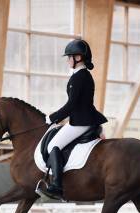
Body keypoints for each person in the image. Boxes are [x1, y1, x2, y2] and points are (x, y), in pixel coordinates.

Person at [41, 39, 108, 200]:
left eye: (69, 57)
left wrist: (52, 118)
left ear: (78, 57)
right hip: (86, 119)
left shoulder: (79, 77)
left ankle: (56, 186)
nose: (67, 60)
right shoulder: (83, 75)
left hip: (81, 122)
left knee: (53, 145)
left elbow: (71, 105)